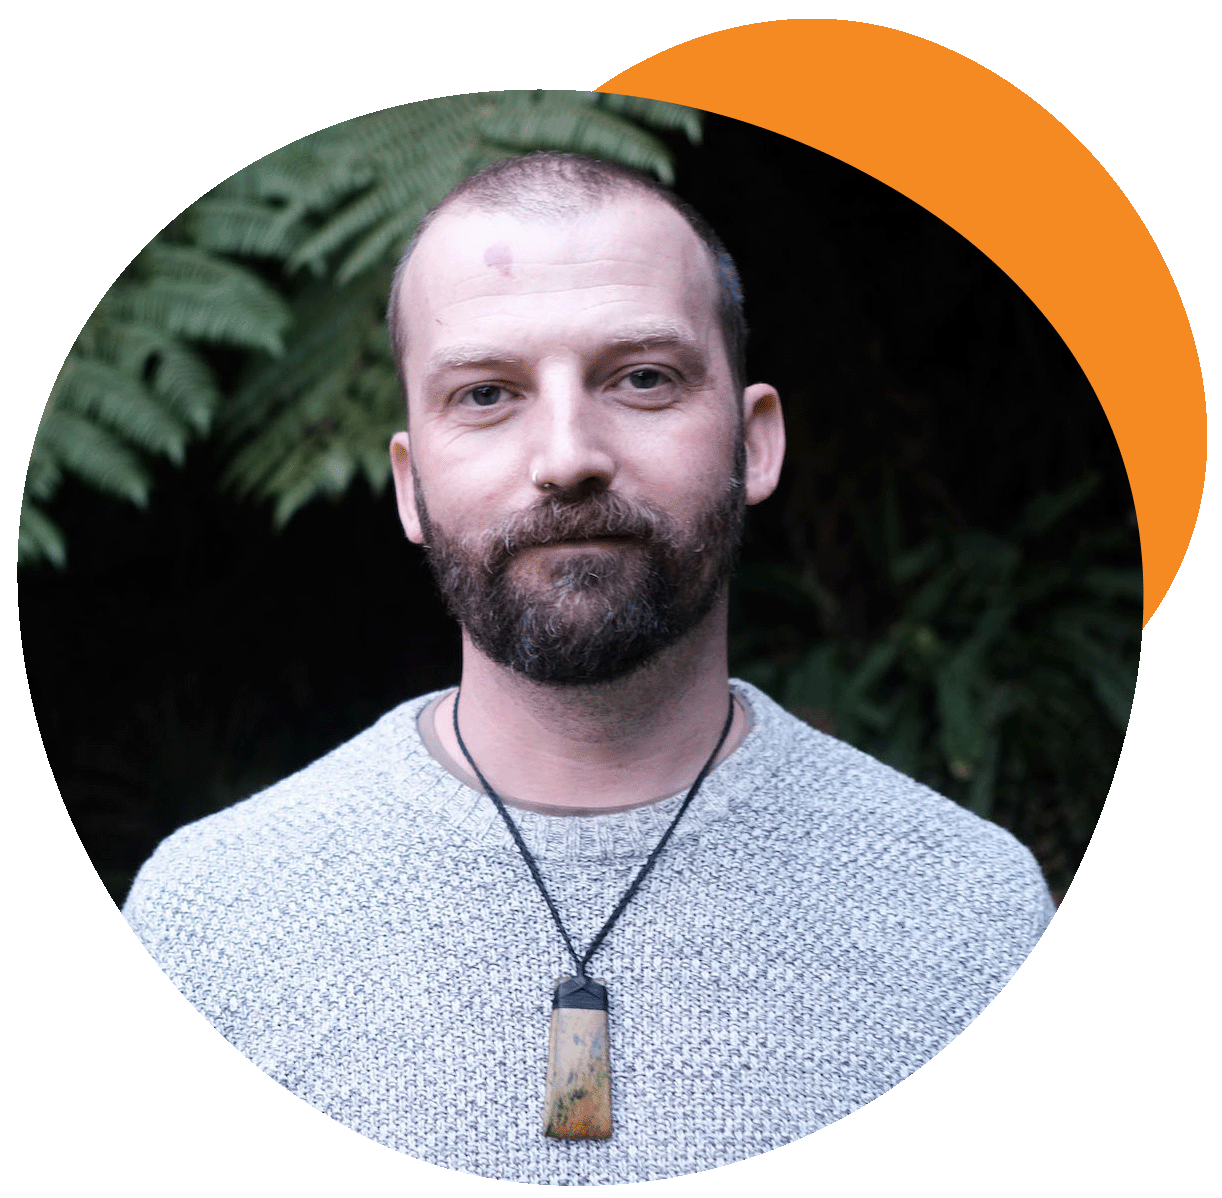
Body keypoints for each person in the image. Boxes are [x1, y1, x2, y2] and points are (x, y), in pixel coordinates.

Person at [123, 152, 1055, 1184]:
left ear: (754, 443)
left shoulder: (972, 916)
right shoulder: (205, 924)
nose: (567, 454)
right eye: (486, 393)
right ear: (410, 484)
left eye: (642, 378)